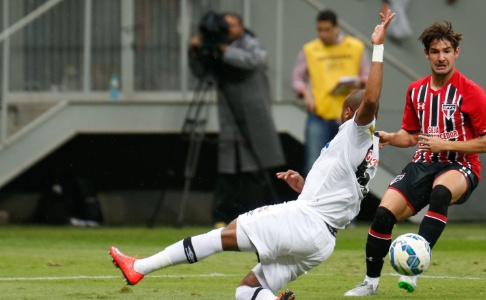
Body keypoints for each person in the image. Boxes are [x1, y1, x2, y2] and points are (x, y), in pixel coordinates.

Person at [109, 10, 396, 300]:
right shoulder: (368, 149)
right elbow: (342, 191)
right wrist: (306, 187)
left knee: (225, 234)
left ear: (349, 113)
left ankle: (140, 266)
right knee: (247, 291)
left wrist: (378, 46)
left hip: (305, 222)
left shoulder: (355, 130)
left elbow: (370, 99)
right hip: (323, 240)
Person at [344, 20, 486, 296]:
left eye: (447, 51)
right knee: (382, 214)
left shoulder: (471, 92)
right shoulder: (416, 90)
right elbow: (412, 135)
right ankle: (370, 282)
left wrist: (447, 144)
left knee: (440, 193)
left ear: (456, 53)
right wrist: (392, 137)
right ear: (426, 54)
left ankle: (413, 269)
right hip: (423, 163)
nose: (441, 57)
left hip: (461, 166)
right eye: (435, 51)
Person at [190, 12, 286, 228]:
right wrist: (195, 51)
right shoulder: (216, 47)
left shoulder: (249, 43)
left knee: (254, 168)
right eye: (224, 26)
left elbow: (253, 60)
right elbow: (203, 75)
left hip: (253, 116)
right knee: (228, 170)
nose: (227, 30)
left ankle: (258, 215)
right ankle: (222, 217)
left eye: (231, 26)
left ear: (241, 27)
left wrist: (224, 50)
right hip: (230, 119)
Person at [292, 9, 371, 176]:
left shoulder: (355, 47)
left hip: (351, 119)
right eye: (319, 30)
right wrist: (306, 93)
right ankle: (313, 201)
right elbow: (297, 78)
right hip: (320, 116)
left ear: (337, 27)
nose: (323, 34)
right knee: (315, 167)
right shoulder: (310, 49)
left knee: (351, 167)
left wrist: (358, 81)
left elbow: (368, 77)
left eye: (327, 30)